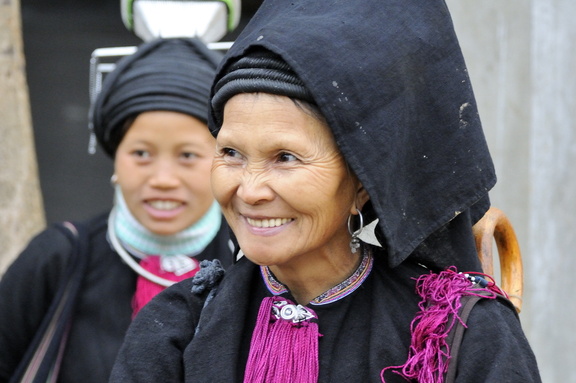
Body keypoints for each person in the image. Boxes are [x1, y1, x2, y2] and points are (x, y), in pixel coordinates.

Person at [110, 1, 542, 382]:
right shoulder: (179, 327)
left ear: (361, 182)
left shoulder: (455, 335)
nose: (250, 189)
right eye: (231, 153)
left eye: (285, 158)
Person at [0, 37, 234, 383]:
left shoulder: (252, 266)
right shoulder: (58, 259)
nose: (163, 179)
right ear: (115, 161)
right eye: (141, 153)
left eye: (188, 155)